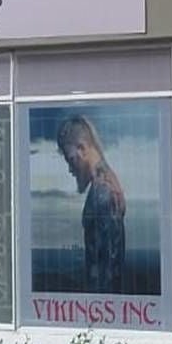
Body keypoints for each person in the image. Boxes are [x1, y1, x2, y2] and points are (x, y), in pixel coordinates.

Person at [57, 115, 126, 293]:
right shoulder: (105, 184)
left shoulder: (102, 192)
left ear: (82, 148)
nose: (70, 169)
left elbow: (107, 269)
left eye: (71, 160)